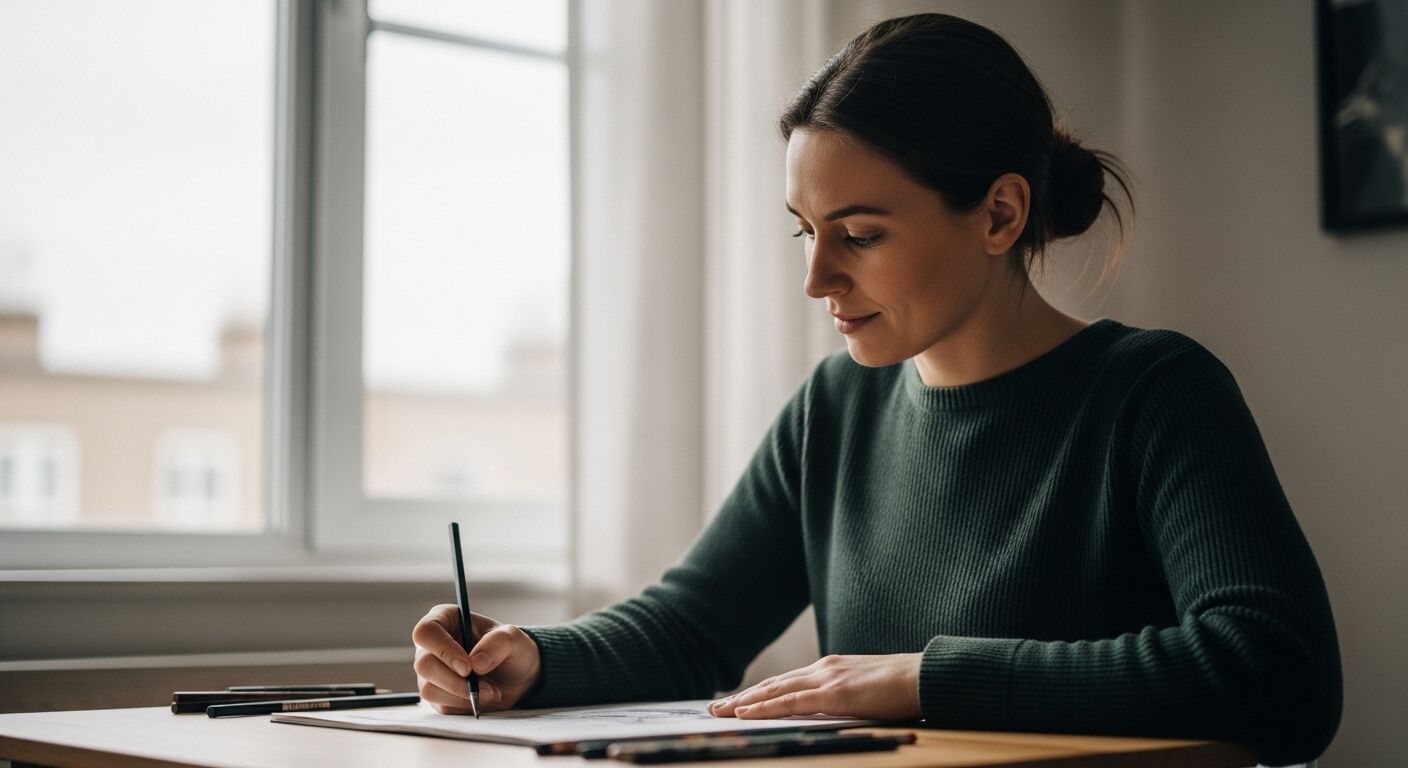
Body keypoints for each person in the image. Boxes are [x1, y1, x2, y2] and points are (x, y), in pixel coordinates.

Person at [412, 13, 1341, 766]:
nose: (816, 279)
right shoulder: (834, 410)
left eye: (857, 235)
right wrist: (530, 660)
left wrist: (925, 679)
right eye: (802, 232)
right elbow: (692, 628)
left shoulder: (1154, 392)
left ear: (1000, 213)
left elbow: (1279, 673)